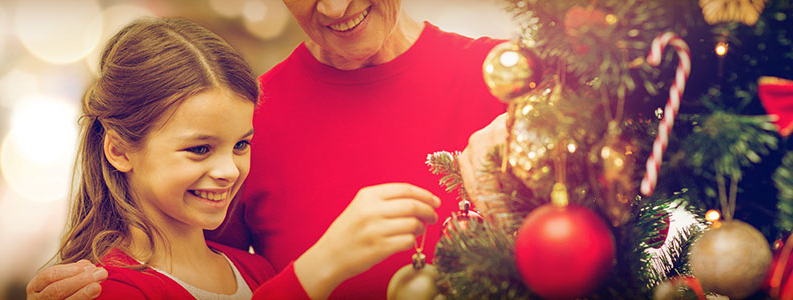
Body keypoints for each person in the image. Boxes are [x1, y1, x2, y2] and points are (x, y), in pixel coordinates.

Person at [27, 0, 511, 298]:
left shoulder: (511, 81)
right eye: (201, 150)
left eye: (240, 147)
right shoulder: (250, 116)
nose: (337, 7)